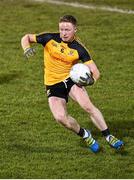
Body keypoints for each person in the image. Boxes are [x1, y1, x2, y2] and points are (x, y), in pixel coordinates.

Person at [21, 15, 124, 153]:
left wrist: (90, 81)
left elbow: (95, 72)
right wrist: (27, 48)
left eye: (67, 29)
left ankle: (109, 136)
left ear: (75, 29)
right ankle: (85, 135)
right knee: (60, 118)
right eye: (61, 29)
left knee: (88, 106)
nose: (63, 33)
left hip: (70, 81)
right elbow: (26, 37)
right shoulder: (49, 38)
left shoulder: (79, 49)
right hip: (52, 85)